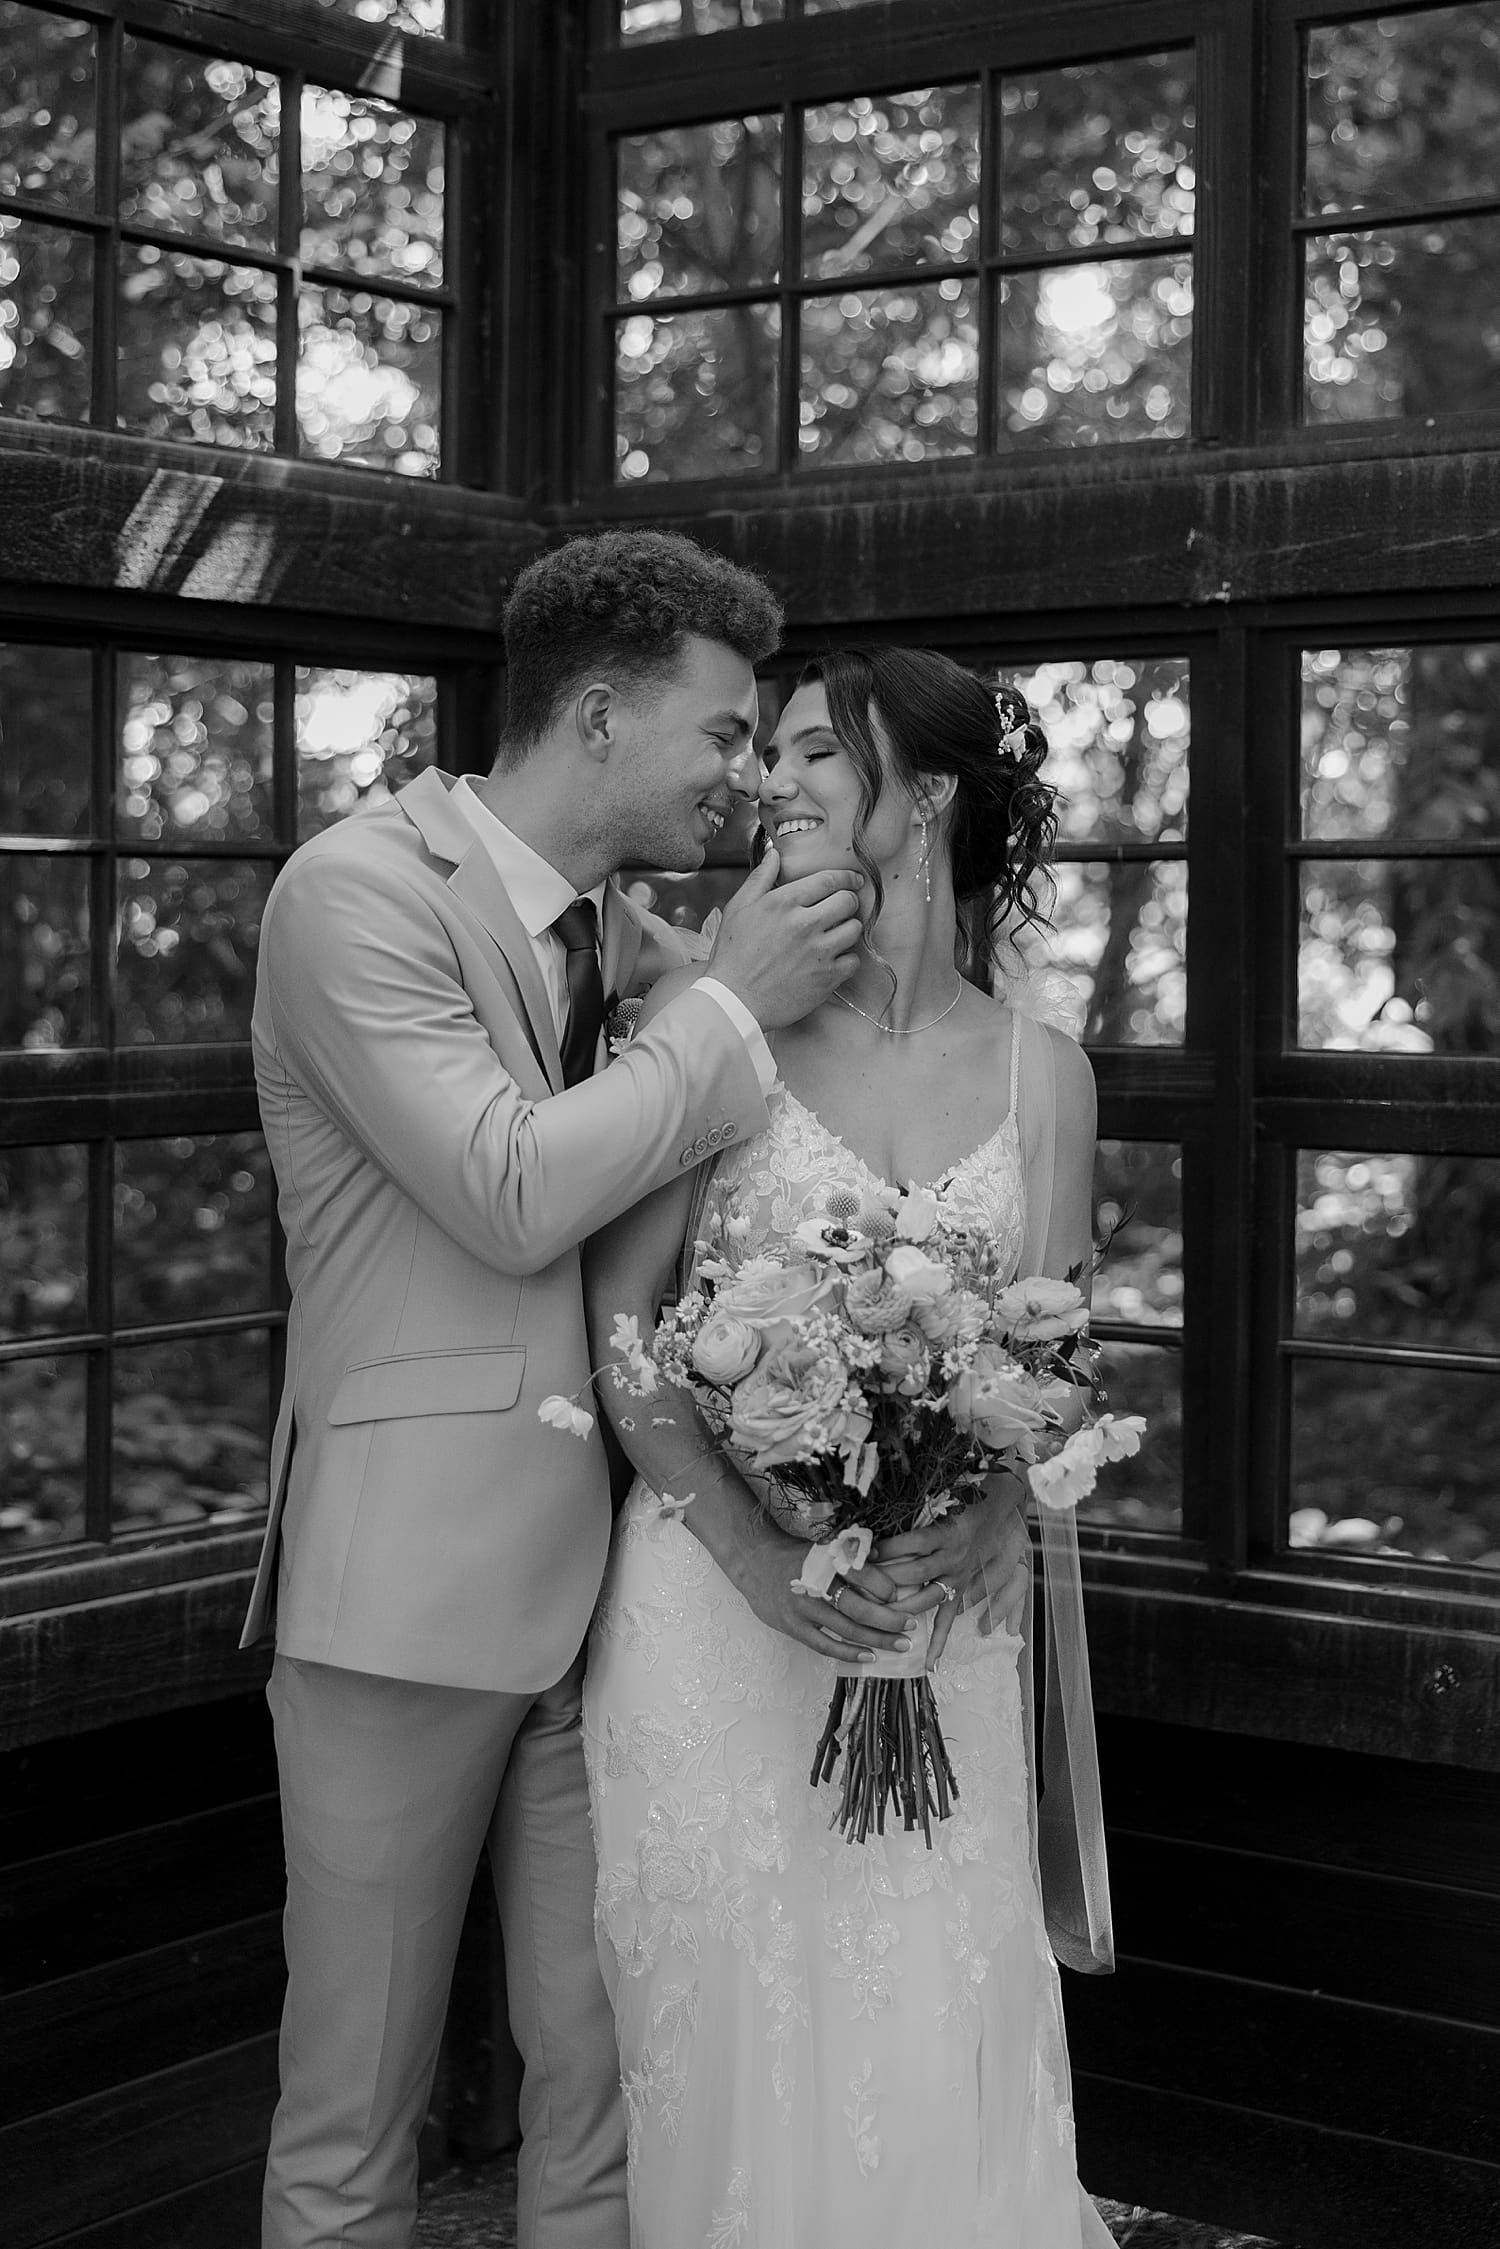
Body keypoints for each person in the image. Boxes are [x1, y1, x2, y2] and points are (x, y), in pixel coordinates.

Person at [241, 529, 873, 2249]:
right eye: (730, 732)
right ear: (602, 718)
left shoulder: (620, 934)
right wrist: (734, 1000)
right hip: (403, 1601)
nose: (748, 772)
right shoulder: (355, 894)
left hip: (609, 1612)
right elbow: (509, 1184)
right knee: (350, 2113)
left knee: (601, 2093)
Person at [583, 647, 1116, 2248]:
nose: (775, 781)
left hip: (933, 1628)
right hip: (717, 1626)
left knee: (929, 2040)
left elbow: (1056, 1349)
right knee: (733, 2053)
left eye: (820, 752)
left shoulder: (1048, 1074)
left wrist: (999, 1500)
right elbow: (624, 1336)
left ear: (928, 796)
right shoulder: (710, 1028)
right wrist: (757, 1554)